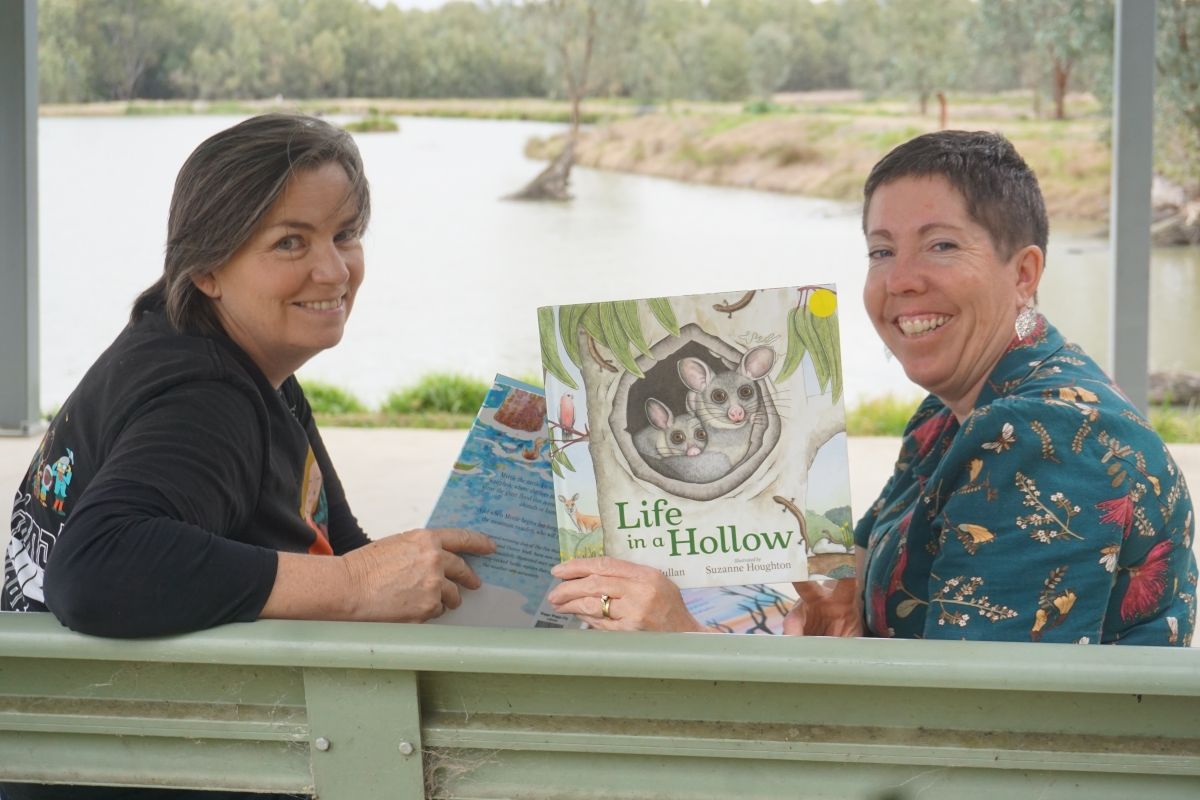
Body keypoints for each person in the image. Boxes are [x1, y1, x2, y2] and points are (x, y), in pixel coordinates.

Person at [2, 114, 493, 800]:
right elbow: (95, 568)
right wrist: (351, 590)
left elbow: (337, 546)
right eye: (290, 242)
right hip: (123, 768)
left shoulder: (245, 366)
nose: (333, 268)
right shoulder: (203, 396)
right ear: (205, 268)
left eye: (345, 234)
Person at [550, 130, 1197, 645]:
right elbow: (864, 604)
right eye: (881, 251)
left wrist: (682, 639)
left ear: (1023, 272)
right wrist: (847, 610)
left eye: (940, 245)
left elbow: (979, 731)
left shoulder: (1044, 440)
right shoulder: (950, 413)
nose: (901, 281)